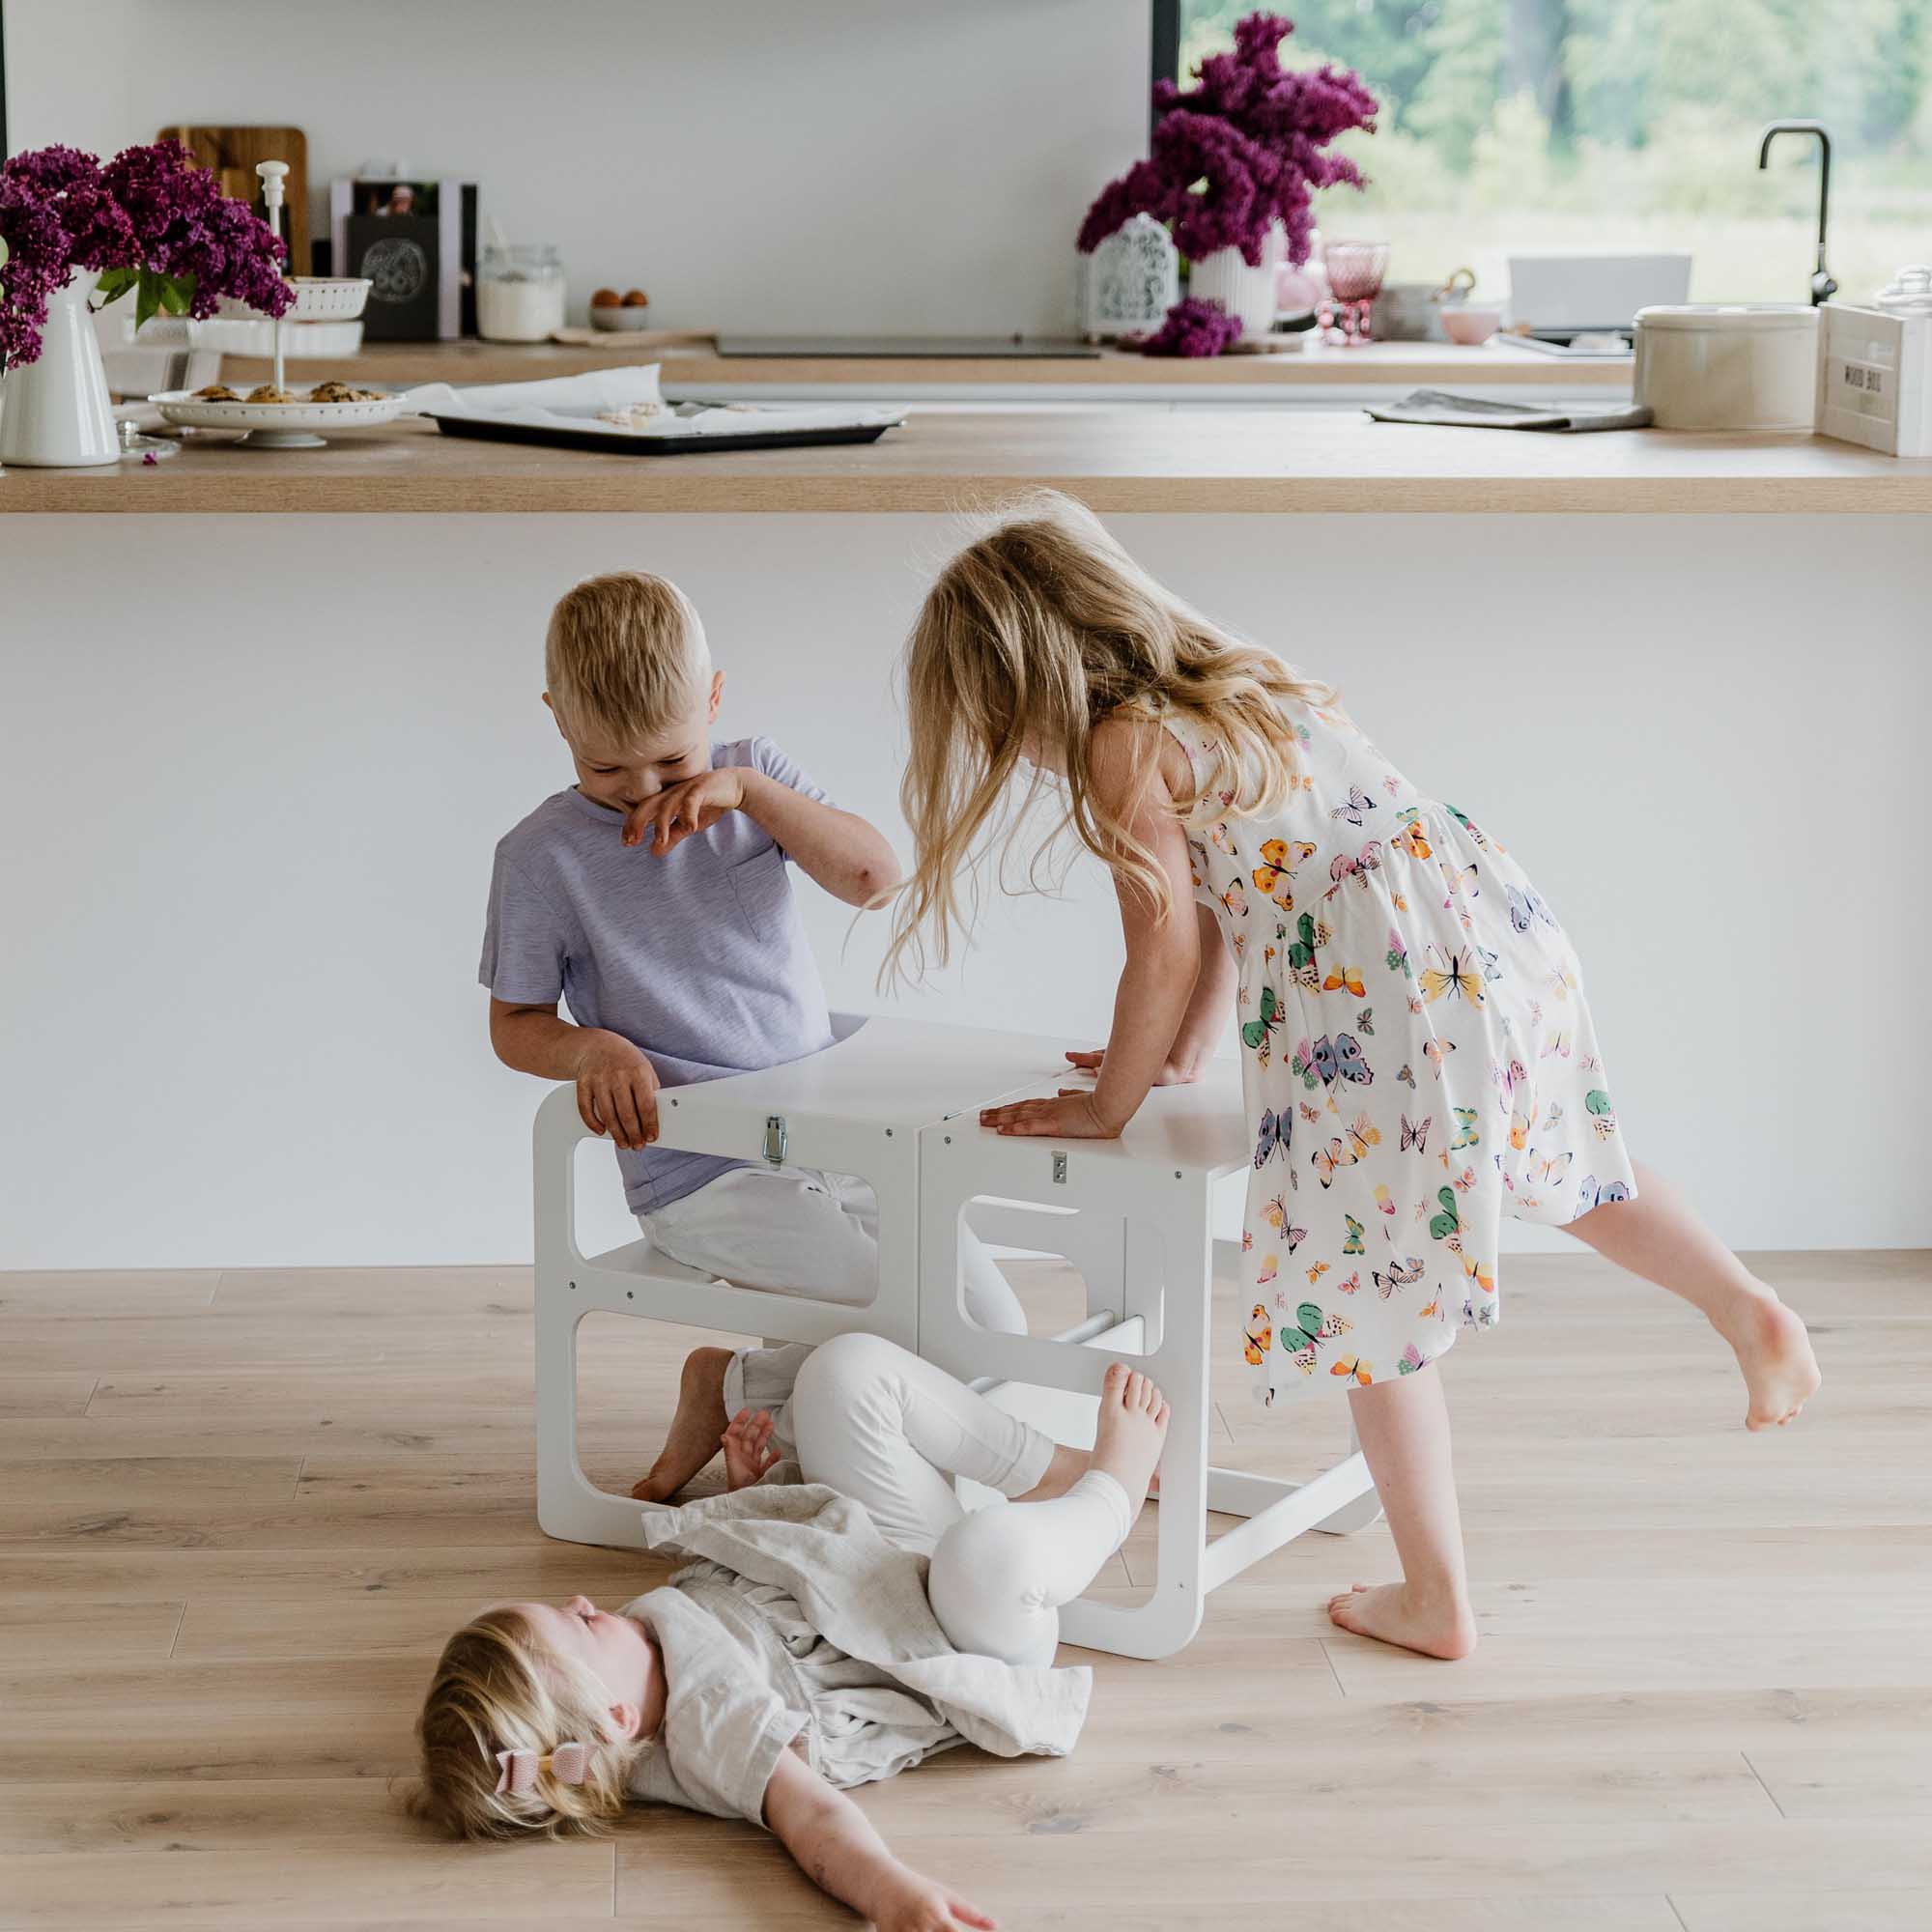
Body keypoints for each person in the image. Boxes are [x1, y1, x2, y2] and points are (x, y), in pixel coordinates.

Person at [883, 491, 1821, 1662]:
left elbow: (1163, 937)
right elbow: (1237, 894)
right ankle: (1744, 1303)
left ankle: (1436, 1595)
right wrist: (1183, 1052)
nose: (1008, 749)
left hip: (1369, 994)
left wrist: (1108, 1102)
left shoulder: (1119, 743)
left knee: (1367, 1300)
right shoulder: (1246, 683)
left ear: (1034, 676)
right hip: (1477, 938)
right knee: (1570, 1168)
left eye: (996, 720)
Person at [480, 568, 1031, 1452]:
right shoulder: (541, 857)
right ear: (557, 719)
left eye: (672, 759)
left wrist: (753, 796)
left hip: (841, 1140)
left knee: (991, 1324)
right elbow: (514, 1024)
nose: (641, 787)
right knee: (916, 1323)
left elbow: (876, 879)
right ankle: (1009, 1477)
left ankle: (735, 1387)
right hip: (703, 1173)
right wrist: (590, 1051)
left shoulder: (756, 781)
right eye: (604, 765)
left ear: (714, 698)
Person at [410, 1333, 1170, 1932]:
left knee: (844, 1372)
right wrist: (892, 1893)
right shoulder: (710, 1726)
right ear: (615, 1718)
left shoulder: (648, 1643)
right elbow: (815, 1822)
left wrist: (755, 1499)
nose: (582, 1599)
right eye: (578, 1623)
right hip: (957, 1638)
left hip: (882, 1569)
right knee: (988, 1555)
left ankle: (1048, 1470)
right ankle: (1112, 1492)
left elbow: (762, 1587)